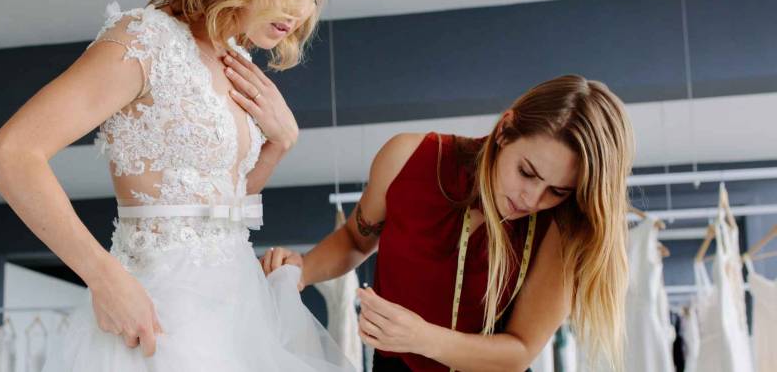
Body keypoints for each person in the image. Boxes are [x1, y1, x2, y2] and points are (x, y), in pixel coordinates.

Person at [0, 0, 354, 371]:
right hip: (157, 314)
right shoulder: (145, 41)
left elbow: (217, 207)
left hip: (239, 315)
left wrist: (279, 146)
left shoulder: (236, 61)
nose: (301, 12)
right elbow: (11, 154)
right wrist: (102, 277)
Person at [262, 75, 635, 371]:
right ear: (505, 129)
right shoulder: (408, 159)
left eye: (557, 191)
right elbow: (356, 240)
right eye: (526, 172)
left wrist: (420, 338)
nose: (531, 199)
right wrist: (303, 269)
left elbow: (519, 351)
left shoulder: (565, 227)